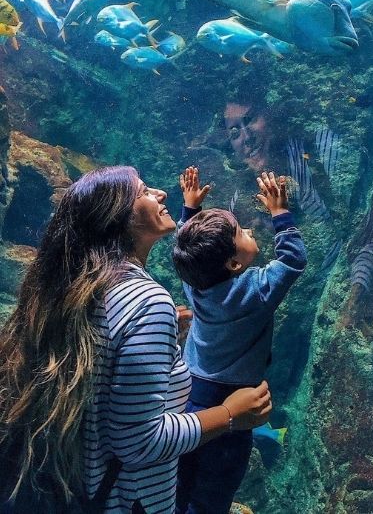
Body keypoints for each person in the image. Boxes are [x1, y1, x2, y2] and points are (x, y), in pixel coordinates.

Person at [0, 165, 272, 514]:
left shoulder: (83, 286)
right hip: (127, 501)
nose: (160, 194)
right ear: (118, 218)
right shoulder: (148, 301)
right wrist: (230, 414)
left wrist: (158, 337)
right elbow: (139, 443)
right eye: (143, 191)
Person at [172, 166, 307, 514]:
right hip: (234, 402)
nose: (248, 229)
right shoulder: (256, 291)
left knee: (181, 478)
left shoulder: (195, 284)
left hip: (188, 392)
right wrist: (280, 213)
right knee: (215, 490)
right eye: (240, 232)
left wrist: (190, 210)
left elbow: (187, 253)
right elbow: (293, 259)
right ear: (234, 263)